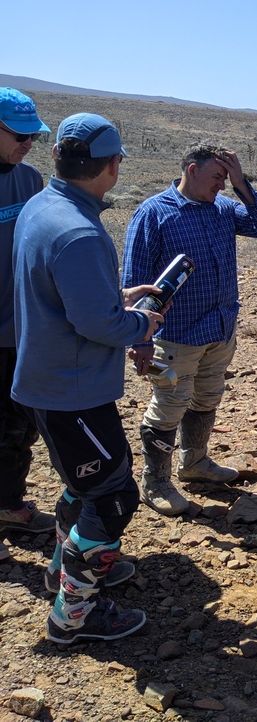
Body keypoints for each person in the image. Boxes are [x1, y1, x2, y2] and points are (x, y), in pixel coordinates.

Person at [12, 113, 165, 643]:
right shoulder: (79, 232)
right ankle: (73, 614)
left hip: (47, 379)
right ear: (112, 164)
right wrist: (139, 320)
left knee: (84, 487)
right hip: (72, 392)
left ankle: (64, 568)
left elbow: (61, 294)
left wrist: (114, 298)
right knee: (112, 497)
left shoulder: (42, 206)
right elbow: (97, 324)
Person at [122, 143, 257, 516]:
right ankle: (155, 481)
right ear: (192, 170)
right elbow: (135, 277)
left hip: (220, 328)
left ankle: (195, 463)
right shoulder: (154, 213)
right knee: (168, 406)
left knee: (207, 398)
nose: (221, 186)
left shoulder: (223, 209)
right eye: (217, 177)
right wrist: (139, 339)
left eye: (226, 179)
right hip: (176, 332)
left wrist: (243, 184)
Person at [0, 88, 55, 557]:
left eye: (34, 136)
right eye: (19, 135)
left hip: (21, 330)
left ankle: (9, 503)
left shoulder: (30, 179)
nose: (27, 144)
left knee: (18, 426)